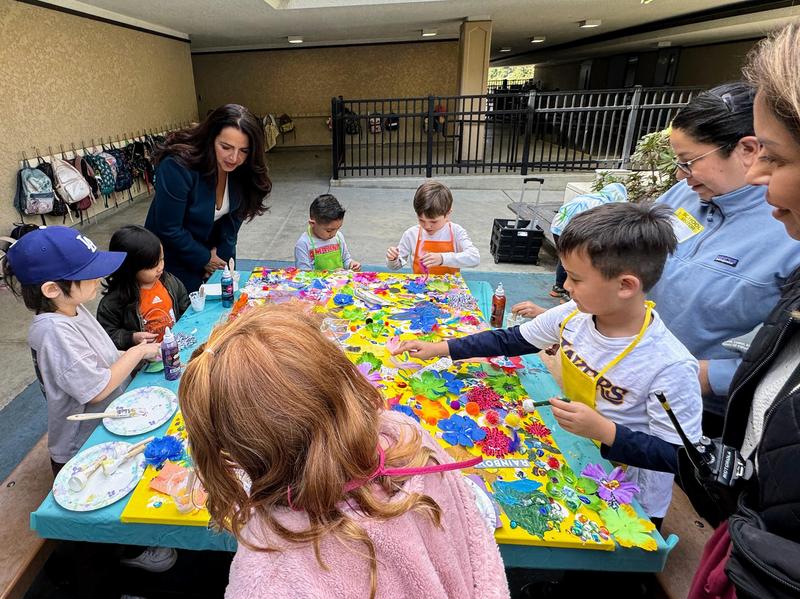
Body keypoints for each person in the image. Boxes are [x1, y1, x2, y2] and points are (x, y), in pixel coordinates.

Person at [511, 84, 800, 436]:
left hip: (696, 411)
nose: (679, 174)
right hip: (613, 382)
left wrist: (705, 376)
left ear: (747, 150)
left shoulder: (789, 228)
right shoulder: (683, 194)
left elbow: (783, 360)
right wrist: (580, 321)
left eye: (689, 162)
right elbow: (625, 273)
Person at [393, 202, 702, 522]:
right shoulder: (574, 315)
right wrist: (441, 347)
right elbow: (509, 340)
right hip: (576, 453)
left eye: (576, 279)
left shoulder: (670, 366)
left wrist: (607, 431)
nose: (565, 287)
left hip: (629, 497)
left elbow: (682, 459)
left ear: (625, 285)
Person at [178, 305, 509, 599]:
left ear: (234, 454)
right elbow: (467, 532)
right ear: (343, 378)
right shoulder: (405, 436)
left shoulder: (269, 574)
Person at [1, 226, 161, 472]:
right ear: (52, 289)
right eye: (88, 273)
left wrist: (134, 345)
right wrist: (135, 353)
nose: (98, 278)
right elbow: (96, 389)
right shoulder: (53, 331)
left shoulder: (72, 308)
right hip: (83, 445)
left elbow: (99, 358)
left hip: (107, 421)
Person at [145, 104, 272, 292]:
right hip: (174, 254)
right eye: (226, 147)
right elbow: (169, 228)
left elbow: (233, 223)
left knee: (226, 304)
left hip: (214, 252)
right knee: (188, 311)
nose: (234, 158)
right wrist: (204, 259)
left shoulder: (243, 170)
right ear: (210, 139)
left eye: (243, 150)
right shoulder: (177, 166)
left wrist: (218, 263)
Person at [97, 225, 190, 349]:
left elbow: (185, 305)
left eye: (161, 260)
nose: (160, 268)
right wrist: (131, 338)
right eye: (152, 265)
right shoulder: (115, 301)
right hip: (146, 361)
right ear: (129, 268)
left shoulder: (169, 281)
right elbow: (106, 336)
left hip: (176, 348)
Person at [386, 181, 479, 274]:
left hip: (450, 287)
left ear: (447, 214)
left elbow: (475, 258)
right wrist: (393, 259)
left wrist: (442, 259)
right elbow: (396, 266)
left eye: (433, 221)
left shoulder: (456, 232)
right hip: (421, 286)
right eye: (421, 220)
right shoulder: (411, 234)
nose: (427, 226)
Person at [294, 194, 361, 271]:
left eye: (338, 228)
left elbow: (345, 259)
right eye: (329, 230)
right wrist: (331, 274)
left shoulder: (338, 237)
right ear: (313, 224)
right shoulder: (303, 244)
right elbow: (304, 275)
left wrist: (351, 264)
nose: (334, 234)